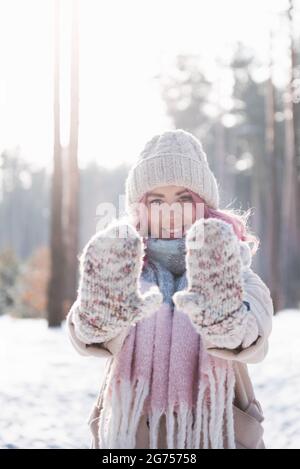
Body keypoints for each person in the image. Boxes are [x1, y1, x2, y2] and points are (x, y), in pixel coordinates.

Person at [66, 129, 274, 449]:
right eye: (157, 200)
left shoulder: (234, 269)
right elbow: (84, 336)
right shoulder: (123, 268)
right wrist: (100, 318)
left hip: (217, 434)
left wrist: (227, 320)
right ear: (141, 208)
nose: (171, 211)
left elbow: (255, 333)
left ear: (203, 204)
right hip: (133, 435)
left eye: (184, 198)